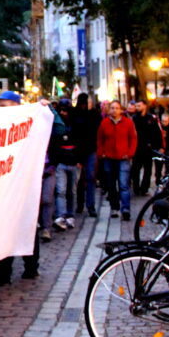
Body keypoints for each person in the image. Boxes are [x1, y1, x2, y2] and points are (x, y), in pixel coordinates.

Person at [0, 90, 41, 287]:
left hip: (24, 182)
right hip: (3, 183)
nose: (0, 109)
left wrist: (45, 110)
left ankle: (31, 266)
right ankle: (4, 272)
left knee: (27, 224)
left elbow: (55, 128)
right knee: (4, 228)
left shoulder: (29, 124)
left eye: (4, 105)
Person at [97, 100, 137, 220]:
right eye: (112, 108)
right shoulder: (104, 123)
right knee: (111, 185)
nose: (114, 110)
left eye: (117, 108)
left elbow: (133, 139)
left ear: (121, 110)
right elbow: (100, 139)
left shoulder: (128, 123)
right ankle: (114, 208)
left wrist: (130, 153)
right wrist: (101, 153)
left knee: (124, 184)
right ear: (109, 110)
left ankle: (125, 208)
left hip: (123, 158)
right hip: (109, 158)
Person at [71, 93, 101, 218]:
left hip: (90, 150)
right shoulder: (75, 114)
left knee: (89, 178)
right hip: (79, 151)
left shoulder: (94, 114)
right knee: (81, 180)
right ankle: (81, 204)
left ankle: (90, 205)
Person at [52, 100, 79, 232]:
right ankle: (61, 216)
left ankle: (70, 215)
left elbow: (81, 142)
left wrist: (79, 159)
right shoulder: (56, 127)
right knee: (61, 190)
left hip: (73, 162)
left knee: (71, 191)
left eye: (65, 110)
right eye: (61, 110)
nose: (63, 113)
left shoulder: (76, 124)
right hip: (61, 162)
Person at [130, 99, 163, 196]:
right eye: (136, 106)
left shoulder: (151, 118)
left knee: (147, 169)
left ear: (144, 106)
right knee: (135, 169)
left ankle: (144, 188)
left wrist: (159, 146)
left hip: (148, 148)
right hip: (137, 148)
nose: (137, 108)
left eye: (139, 105)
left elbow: (157, 133)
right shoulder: (134, 118)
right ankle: (136, 187)